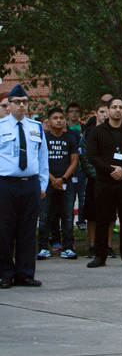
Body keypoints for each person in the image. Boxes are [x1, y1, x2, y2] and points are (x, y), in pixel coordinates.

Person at [0, 85, 48, 288]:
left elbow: (42, 157)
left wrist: (42, 184)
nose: (21, 105)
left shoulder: (35, 127)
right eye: (17, 102)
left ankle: (25, 273)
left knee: (28, 231)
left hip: (30, 184)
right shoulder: (1, 127)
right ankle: (5, 273)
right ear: (8, 105)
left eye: (25, 102)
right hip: (6, 184)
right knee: (4, 231)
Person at [86, 97, 122, 268]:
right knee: (102, 219)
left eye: (121, 107)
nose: (118, 110)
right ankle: (100, 256)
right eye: (114, 107)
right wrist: (110, 170)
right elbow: (92, 156)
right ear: (107, 110)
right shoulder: (97, 132)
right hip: (104, 181)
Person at [37, 107, 79, 260]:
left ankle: (67, 247)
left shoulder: (71, 138)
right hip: (46, 182)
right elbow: (38, 161)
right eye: (55, 118)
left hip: (66, 182)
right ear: (48, 121)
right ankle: (42, 248)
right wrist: (51, 178)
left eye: (61, 118)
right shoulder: (43, 138)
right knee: (44, 216)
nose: (59, 120)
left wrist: (62, 178)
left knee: (67, 216)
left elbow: (74, 161)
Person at [78, 102, 116, 257]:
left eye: (107, 111)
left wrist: (112, 172)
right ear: (95, 113)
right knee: (92, 215)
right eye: (101, 111)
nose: (105, 114)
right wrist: (97, 174)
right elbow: (84, 157)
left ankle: (108, 245)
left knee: (110, 214)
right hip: (94, 180)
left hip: (112, 179)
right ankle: (93, 245)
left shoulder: (115, 132)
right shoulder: (88, 133)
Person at [67, 102, 86, 230]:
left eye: (76, 111)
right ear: (67, 113)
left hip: (82, 168)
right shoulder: (64, 129)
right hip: (68, 169)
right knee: (69, 198)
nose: (74, 113)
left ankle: (81, 221)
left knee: (82, 196)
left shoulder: (84, 128)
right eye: (71, 111)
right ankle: (68, 223)